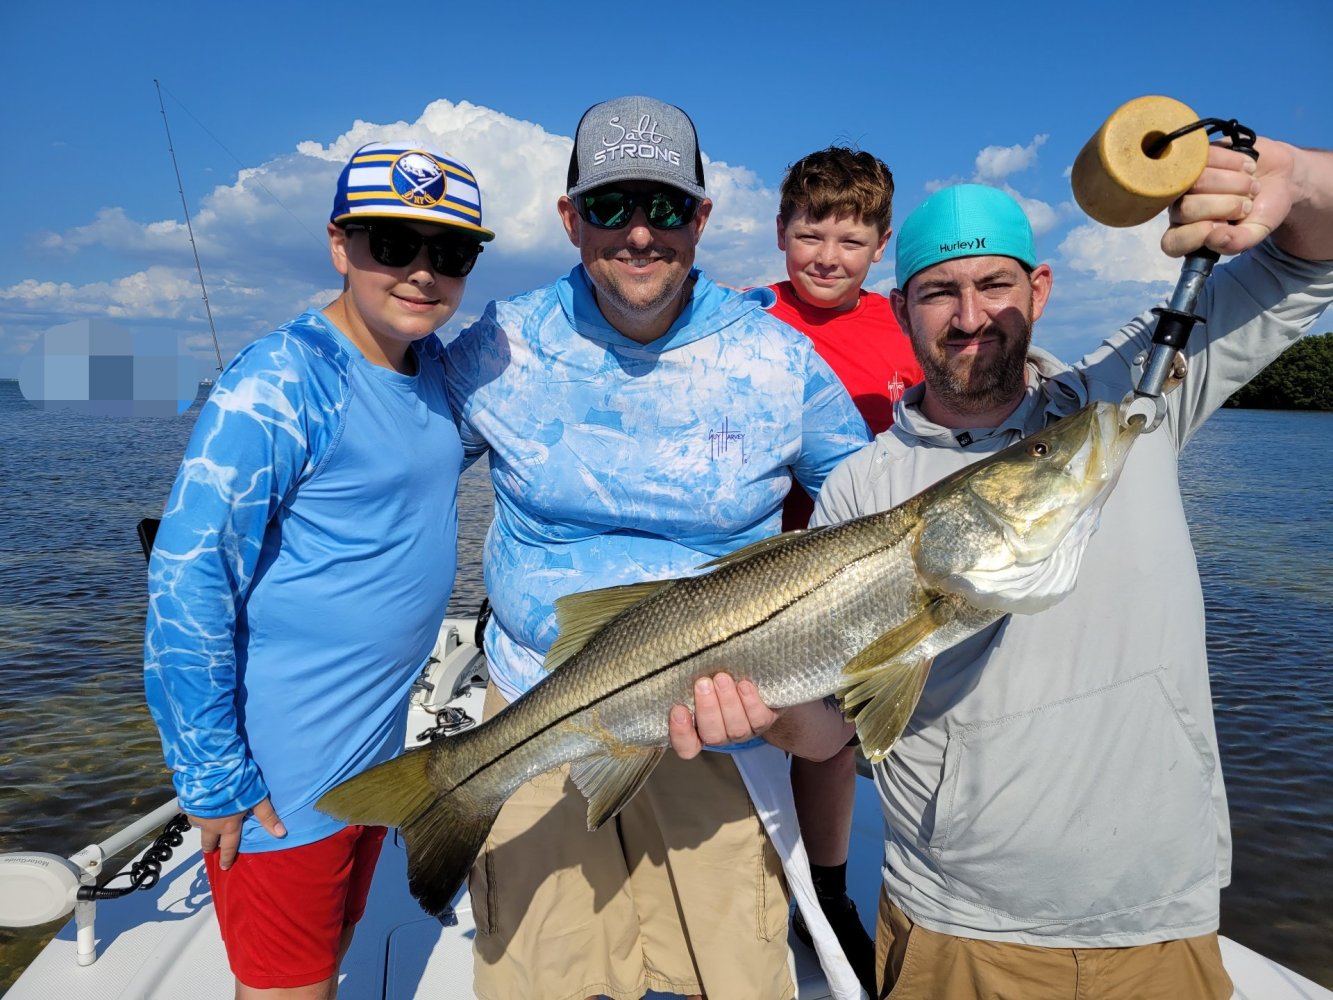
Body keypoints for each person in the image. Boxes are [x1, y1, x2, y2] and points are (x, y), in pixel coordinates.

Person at [671, 135, 1333, 999]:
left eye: (994, 284)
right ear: (903, 306)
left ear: (1040, 288)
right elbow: (835, 730)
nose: (970, 315)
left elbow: (1305, 263)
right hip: (954, 925)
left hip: (1155, 919)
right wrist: (762, 715)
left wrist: (1293, 175)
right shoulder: (859, 488)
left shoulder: (1128, 403)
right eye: (940, 292)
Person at [442, 95, 871, 1000]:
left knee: (732, 974)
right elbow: (388, 470)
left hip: (723, 728)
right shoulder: (499, 345)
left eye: (666, 207)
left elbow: (875, 506)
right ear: (569, 220)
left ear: (702, 219)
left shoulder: (779, 360)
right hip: (536, 701)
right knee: (538, 976)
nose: (639, 233)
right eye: (609, 206)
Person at [144, 140, 494, 998]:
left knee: (326, 964)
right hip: (281, 780)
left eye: (448, 253)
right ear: (340, 246)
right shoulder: (279, 380)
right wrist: (211, 774)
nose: (420, 273)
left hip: (375, 757)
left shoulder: (433, 374)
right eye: (391, 244)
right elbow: (186, 582)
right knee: (286, 987)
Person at [765, 145, 921, 993]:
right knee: (762, 726)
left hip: (869, 579)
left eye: (851, 240)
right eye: (810, 232)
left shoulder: (905, 332)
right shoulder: (747, 317)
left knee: (835, 739)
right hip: (763, 572)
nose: (827, 256)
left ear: (881, 245)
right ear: (780, 231)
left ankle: (824, 890)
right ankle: (758, 878)